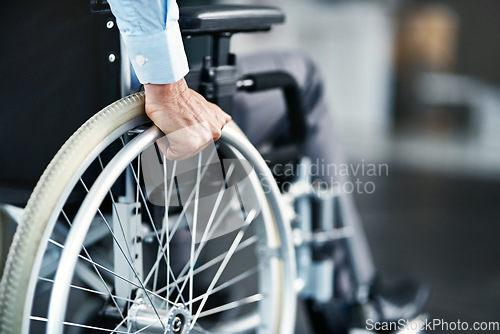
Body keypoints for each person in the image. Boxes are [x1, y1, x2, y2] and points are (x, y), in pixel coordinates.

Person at [0, 0, 427, 332]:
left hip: (19, 142)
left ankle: (182, 276)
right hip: (104, 129)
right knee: (300, 78)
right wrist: (167, 85)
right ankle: (357, 303)